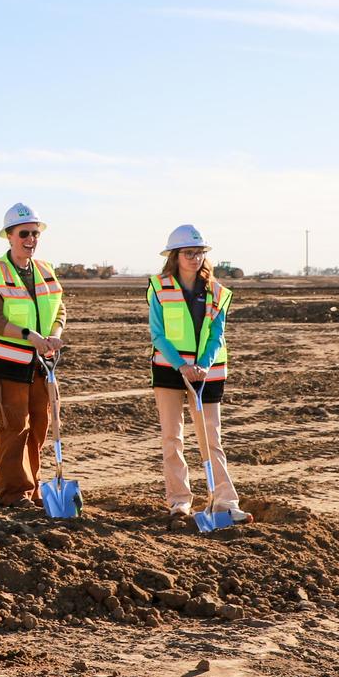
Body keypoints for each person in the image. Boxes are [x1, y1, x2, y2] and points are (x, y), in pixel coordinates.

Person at [149, 224, 249, 525]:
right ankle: (179, 502)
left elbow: (218, 335)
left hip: (208, 374)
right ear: (175, 256)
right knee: (172, 438)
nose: (195, 258)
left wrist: (202, 365)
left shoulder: (218, 293)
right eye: (188, 253)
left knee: (211, 439)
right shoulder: (158, 287)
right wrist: (182, 365)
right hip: (170, 371)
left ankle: (225, 502)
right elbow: (158, 334)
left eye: (199, 252)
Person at [0, 203, 66, 505]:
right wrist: (30, 337)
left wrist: (54, 335)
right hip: (7, 364)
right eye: (24, 233)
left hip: (41, 364)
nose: (31, 239)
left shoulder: (45, 271)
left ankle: (34, 488)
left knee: (39, 425)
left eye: (35, 234)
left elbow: (59, 308)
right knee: (15, 428)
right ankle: (14, 492)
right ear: (9, 236)